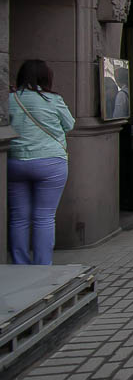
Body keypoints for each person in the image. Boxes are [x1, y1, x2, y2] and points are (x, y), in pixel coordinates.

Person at [7, 60, 74, 264]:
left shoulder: (10, 99)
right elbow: (69, 124)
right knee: (44, 217)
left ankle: (20, 264)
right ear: (46, 77)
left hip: (15, 161)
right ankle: (43, 265)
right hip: (50, 163)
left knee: (19, 217)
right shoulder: (52, 100)